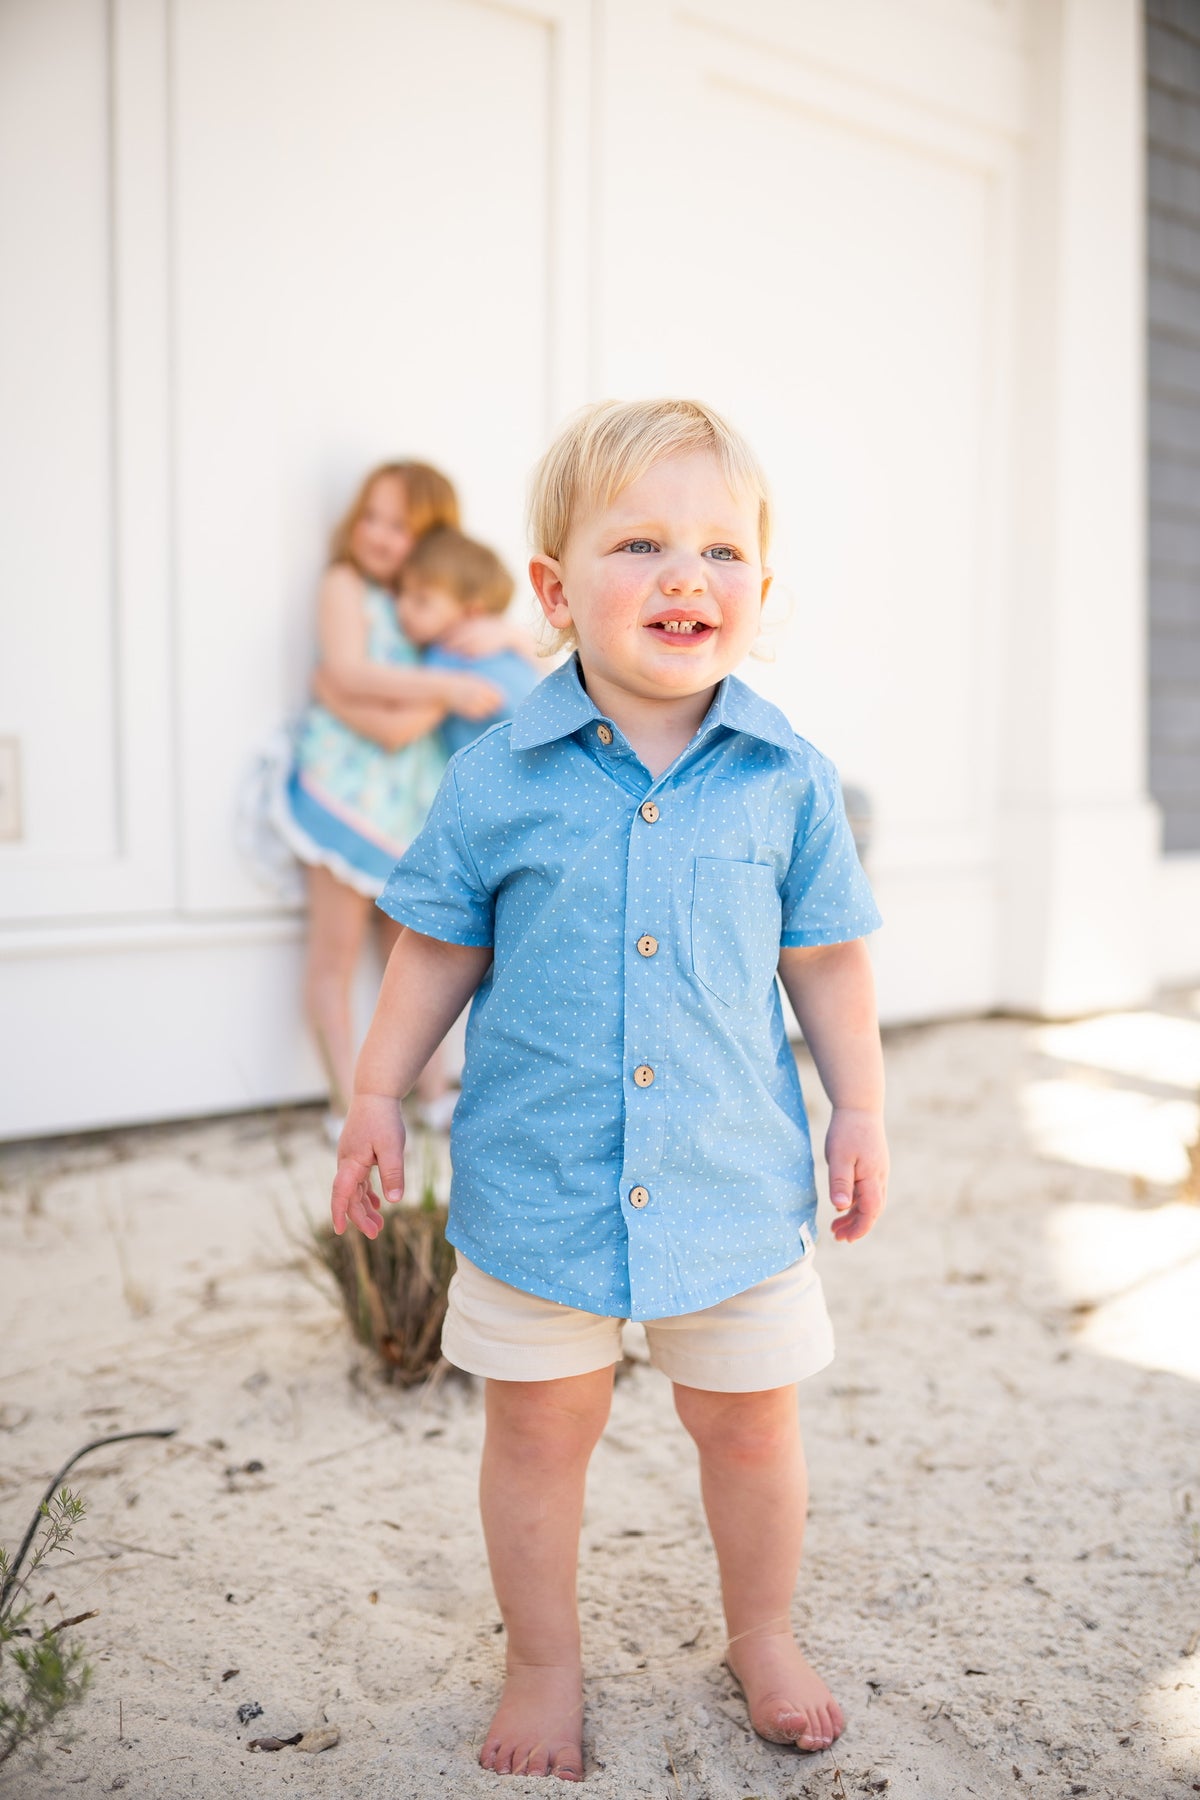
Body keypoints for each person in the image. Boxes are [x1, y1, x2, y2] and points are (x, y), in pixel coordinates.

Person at [330, 399, 888, 1781]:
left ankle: (761, 1630)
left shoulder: (786, 782)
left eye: (721, 550)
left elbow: (827, 963)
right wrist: (377, 1093)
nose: (686, 575)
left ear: (762, 587)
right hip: (542, 1185)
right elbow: (436, 948)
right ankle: (543, 1660)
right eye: (639, 543)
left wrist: (859, 1111)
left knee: (751, 1427)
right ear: (554, 590)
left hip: (731, 1186)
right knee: (537, 1429)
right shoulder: (497, 777)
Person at [274, 461, 503, 1126]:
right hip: (344, 790)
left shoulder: (428, 609)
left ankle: (432, 1093)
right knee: (335, 951)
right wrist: (442, 689)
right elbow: (345, 670)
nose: (376, 534)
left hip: (408, 801)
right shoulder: (346, 583)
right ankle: (346, 1104)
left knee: (414, 955)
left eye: (398, 525)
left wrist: (354, 695)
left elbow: (396, 719)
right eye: (370, 516)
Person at [312, 526, 539, 761]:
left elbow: (395, 731)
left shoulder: (452, 655)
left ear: (470, 611)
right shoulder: (498, 645)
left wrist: (330, 696)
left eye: (421, 601)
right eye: (402, 592)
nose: (402, 608)